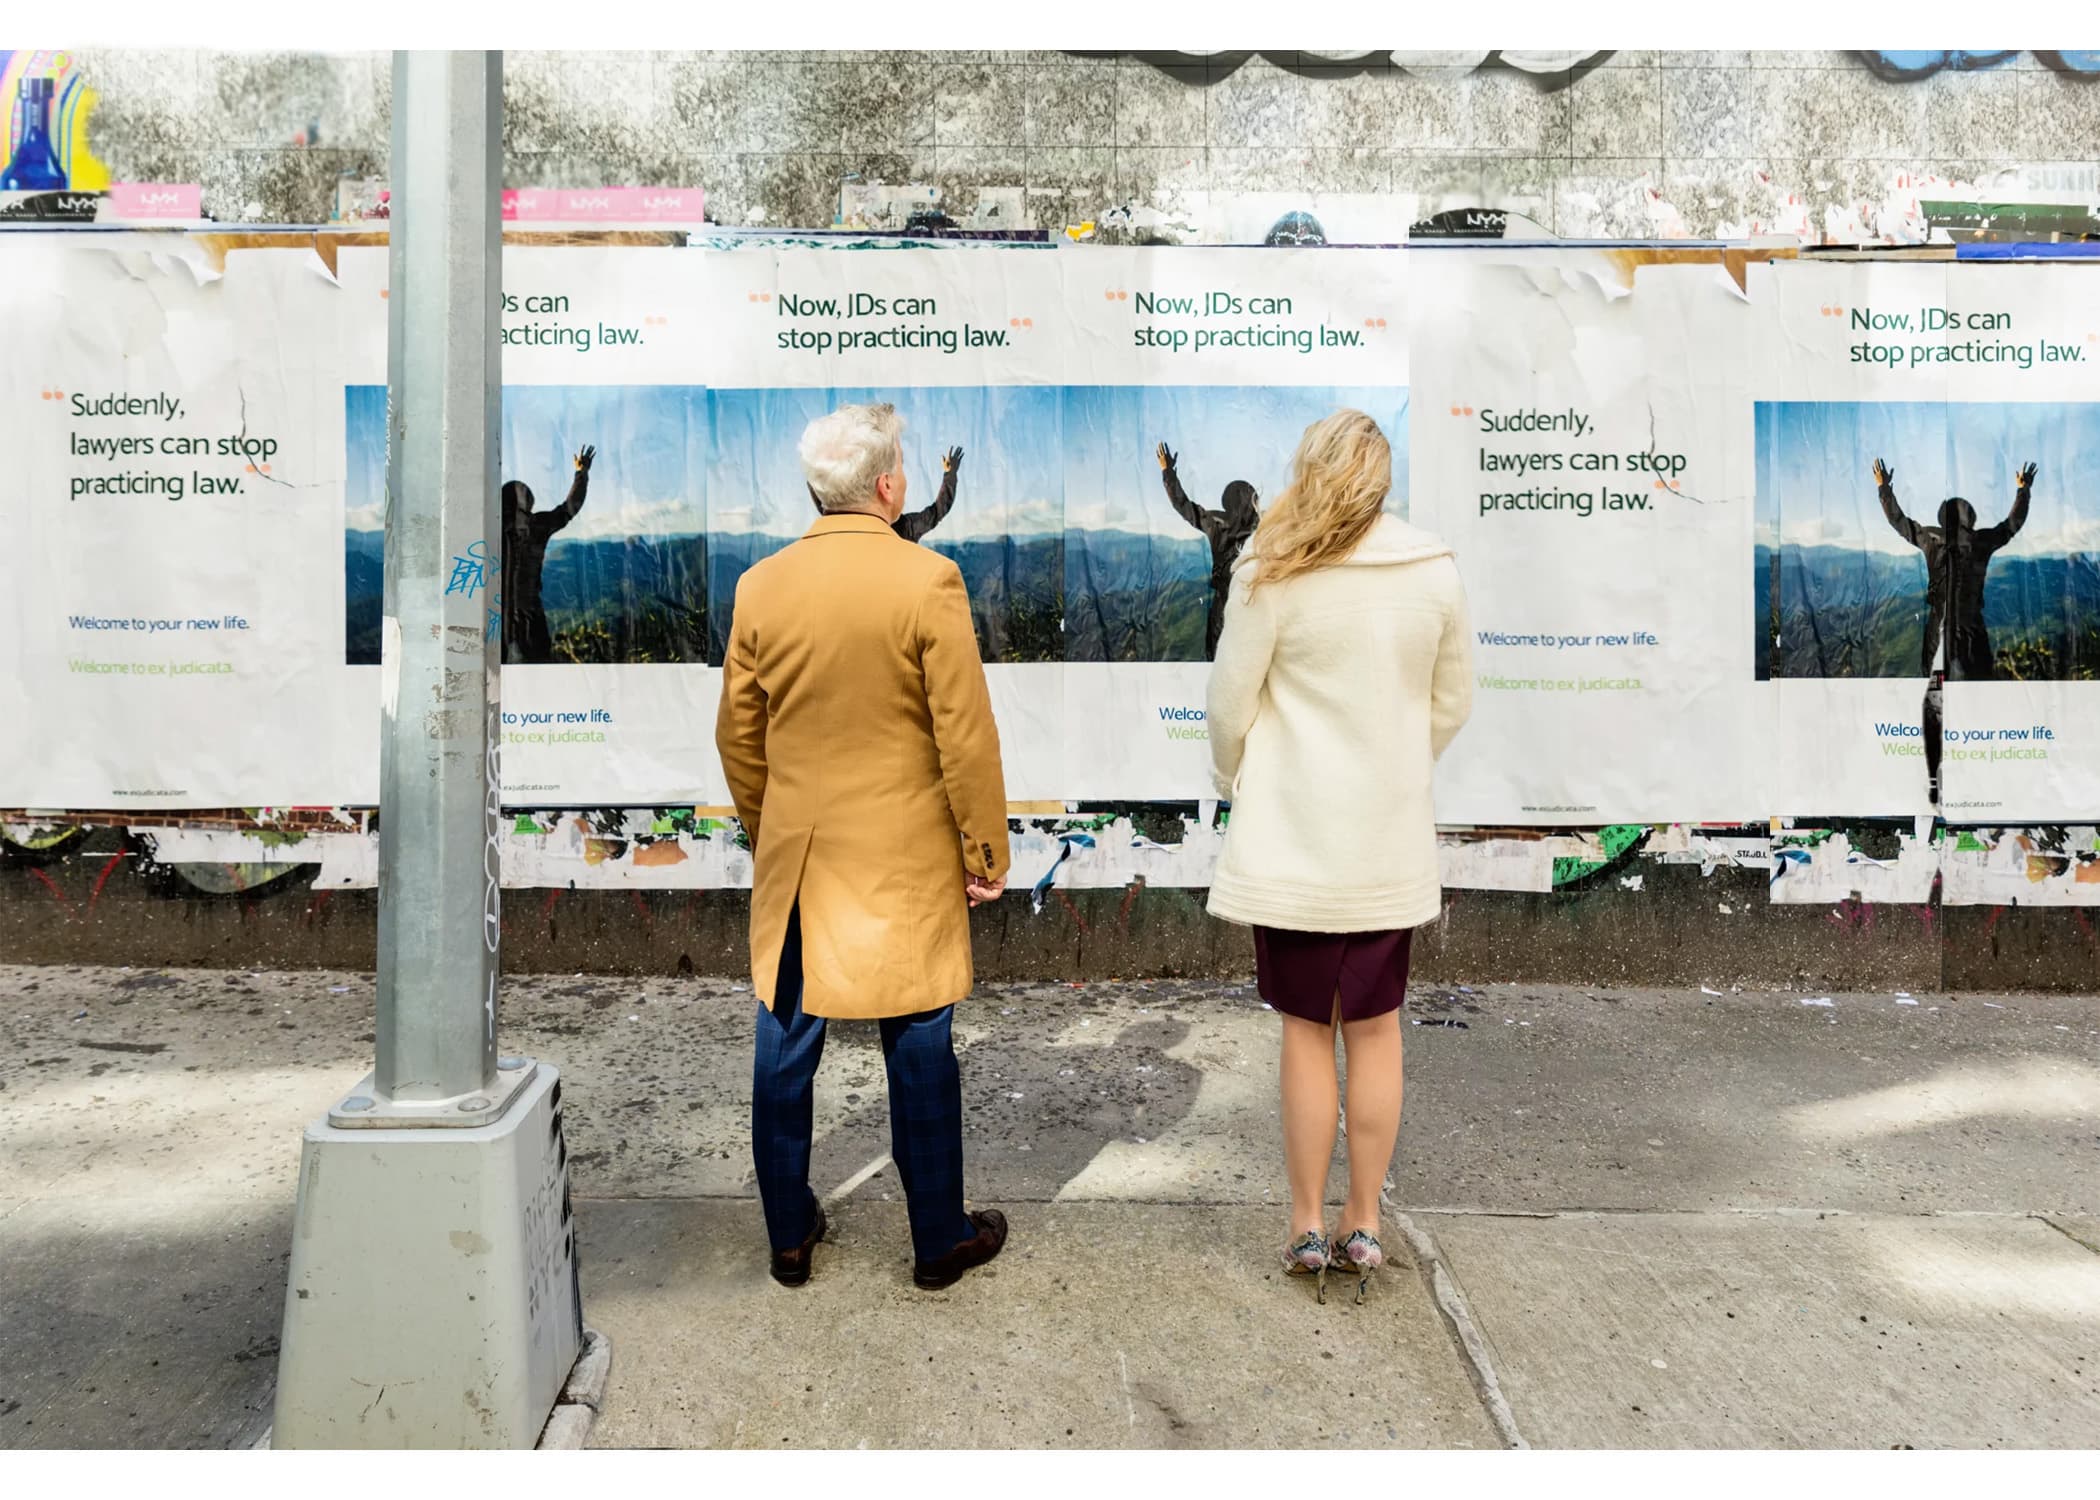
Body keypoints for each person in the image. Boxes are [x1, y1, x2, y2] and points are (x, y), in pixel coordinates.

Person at [716, 402, 1013, 1291]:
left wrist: (772, 831)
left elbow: (739, 736)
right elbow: (965, 735)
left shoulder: (761, 586)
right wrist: (985, 851)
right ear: (887, 486)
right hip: (907, 858)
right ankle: (937, 1238)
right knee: (920, 1032)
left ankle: (787, 1233)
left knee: (787, 1033)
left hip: (804, 860)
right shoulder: (929, 580)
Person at [1204, 409, 1472, 1306]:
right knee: (1377, 1028)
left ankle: (1303, 1224)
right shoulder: (1431, 571)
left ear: (1309, 470)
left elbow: (1229, 707)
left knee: (1303, 1031)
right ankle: (1364, 1221)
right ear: (1382, 480)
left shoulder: (1271, 569)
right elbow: (1452, 703)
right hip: (1385, 840)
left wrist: (1244, 774)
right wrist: (1399, 765)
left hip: (1295, 840)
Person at [1874, 457, 2034, 680]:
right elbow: (2011, 525)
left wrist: (1884, 488)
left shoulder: (1930, 538)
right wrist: (2023, 490)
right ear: (1971, 517)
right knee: (1979, 688)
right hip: (1972, 628)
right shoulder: (1980, 542)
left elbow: (1899, 521)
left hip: (1938, 626)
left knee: (1935, 686)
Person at [1157, 441, 1259, 659]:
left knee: (1216, 653)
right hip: (1254, 602)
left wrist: (1168, 473)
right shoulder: (1262, 527)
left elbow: (1184, 506)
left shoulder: (1216, 523)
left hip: (1225, 602)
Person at [501, 445, 594, 664]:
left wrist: (582, 475)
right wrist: (582, 474)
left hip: (506, 619)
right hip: (526, 616)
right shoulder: (535, 528)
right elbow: (568, 510)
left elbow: (567, 510)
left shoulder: (493, 532)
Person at [807, 444, 963, 544]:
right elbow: (938, 511)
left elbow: (826, 506)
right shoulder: (907, 527)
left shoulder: (850, 524)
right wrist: (950, 475)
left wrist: (814, 475)